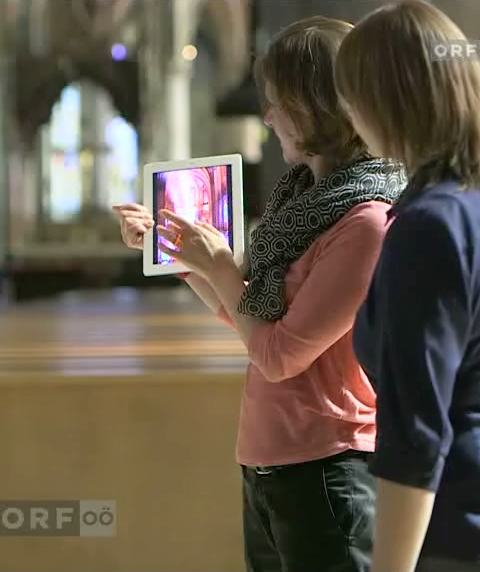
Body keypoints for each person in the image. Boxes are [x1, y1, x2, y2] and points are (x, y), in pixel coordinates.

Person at [115, 16, 407, 572]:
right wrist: (183, 256)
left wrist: (221, 265)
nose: (267, 117)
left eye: (278, 103)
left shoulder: (366, 222)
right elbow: (247, 318)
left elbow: (278, 356)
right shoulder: (302, 201)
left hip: (328, 468)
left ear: (315, 107)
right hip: (269, 463)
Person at [336, 2, 480, 571]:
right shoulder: (464, 204)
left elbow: (416, 436)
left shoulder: (429, 226)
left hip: (450, 529)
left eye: (351, 97)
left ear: (384, 101)